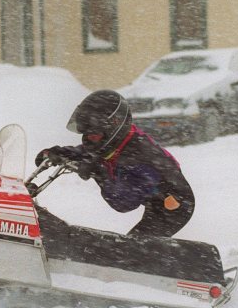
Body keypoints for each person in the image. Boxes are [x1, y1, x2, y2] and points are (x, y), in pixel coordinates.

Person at [35, 89, 195, 237]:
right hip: (152, 197)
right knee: (133, 245)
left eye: (94, 132)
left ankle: (167, 265)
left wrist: (98, 172)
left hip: (174, 204)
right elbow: (86, 152)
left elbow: (123, 202)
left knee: (135, 249)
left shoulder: (140, 156)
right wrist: (60, 152)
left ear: (115, 124)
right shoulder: (113, 143)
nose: (88, 138)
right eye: (85, 132)